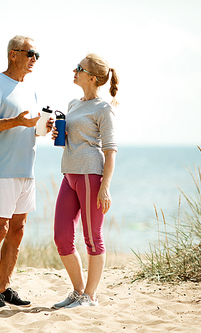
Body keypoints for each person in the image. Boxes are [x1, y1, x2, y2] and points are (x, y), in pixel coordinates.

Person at [0, 35, 53, 309]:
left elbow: (28, 127)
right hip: (1, 170)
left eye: (37, 55)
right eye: (30, 53)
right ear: (14, 54)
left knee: (18, 230)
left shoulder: (30, 90)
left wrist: (43, 128)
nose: (34, 59)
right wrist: (16, 121)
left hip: (26, 170)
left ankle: (5, 287)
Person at [51, 53, 119, 308]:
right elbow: (75, 140)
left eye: (79, 68)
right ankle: (79, 292)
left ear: (92, 77)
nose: (74, 70)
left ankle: (90, 296)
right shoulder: (73, 104)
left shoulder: (104, 109)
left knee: (92, 238)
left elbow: (111, 150)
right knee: (61, 237)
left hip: (91, 177)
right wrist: (61, 134)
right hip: (68, 175)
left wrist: (105, 187)